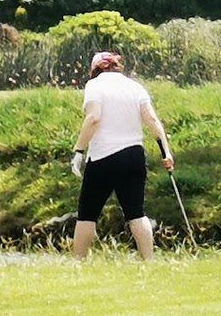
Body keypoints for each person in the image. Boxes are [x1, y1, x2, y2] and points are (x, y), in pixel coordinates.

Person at [72, 50, 173, 261]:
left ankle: (78, 262)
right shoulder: (135, 86)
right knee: (136, 212)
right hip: (134, 156)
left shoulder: (95, 85)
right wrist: (166, 151)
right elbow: (153, 121)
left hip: (103, 158)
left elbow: (93, 118)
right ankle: (149, 261)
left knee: (87, 213)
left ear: (95, 69)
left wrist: (79, 151)